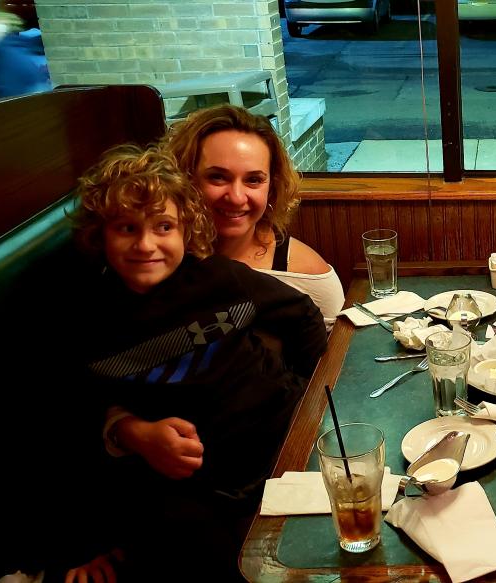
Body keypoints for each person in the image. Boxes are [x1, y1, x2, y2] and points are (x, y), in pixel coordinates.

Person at [64, 145, 329, 580]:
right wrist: (86, 545)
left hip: (287, 444)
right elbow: (76, 417)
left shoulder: (220, 280)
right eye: (127, 228)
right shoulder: (89, 321)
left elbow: (303, 315)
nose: (146, 244)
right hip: (200, 486)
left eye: (163, 226)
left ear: (185, 229)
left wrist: (310, 398)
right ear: (100, 235)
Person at [161, 104, 344, 330]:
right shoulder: (152, 259)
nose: (236, 197)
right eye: (217, 177)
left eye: (254, 180)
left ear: (272, 187)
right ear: (184, 178)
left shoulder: (306, 275)